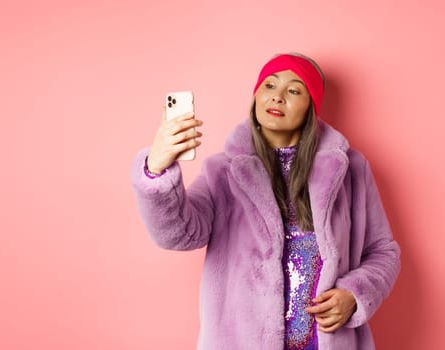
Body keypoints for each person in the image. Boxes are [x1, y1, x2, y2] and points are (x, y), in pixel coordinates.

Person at [129, 53, 400, 349]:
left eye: (294, 90)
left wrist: (354, 295)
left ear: (311, 106)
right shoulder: (223, 171)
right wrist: (156, 170)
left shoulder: (350, 170)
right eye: (269, 85)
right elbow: (180, 234)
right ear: (256, 96)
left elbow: (383, 252)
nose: (278, 97)